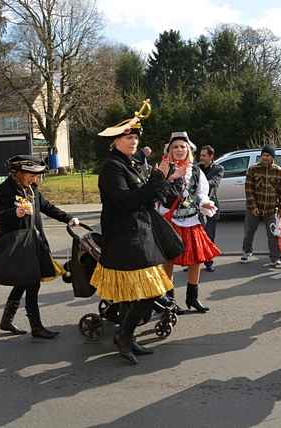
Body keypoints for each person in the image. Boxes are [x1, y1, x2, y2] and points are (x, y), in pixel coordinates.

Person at [91, 104, 183, 364]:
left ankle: (127, 338)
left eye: (135, 138)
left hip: (139, 236)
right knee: (146, 294)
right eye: (127, 137)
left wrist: (165, 180)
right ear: (115, 141)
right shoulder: (112, 168)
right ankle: (124, 338)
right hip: (124, 240)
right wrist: (155, 181)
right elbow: (125, 201)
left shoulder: (129, 164)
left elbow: (149, 198)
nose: (133, 142)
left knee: (146, 295)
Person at [0, 155, 79, 339]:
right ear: (18, 173)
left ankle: (6, 321)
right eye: (31, 175)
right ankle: (36, 326)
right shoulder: (4, 190)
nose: (35, 179)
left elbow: (47, 207)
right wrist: (14, 213)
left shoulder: (32, 189)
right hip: (17, 244)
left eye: (36, 175)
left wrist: (68, 217)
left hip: (34, 243)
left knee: (25, 281)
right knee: (31, 283)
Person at [159, 132, 220, 314]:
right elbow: (157, 194)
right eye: (175, 147)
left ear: (188, 149)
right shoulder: (163, 168)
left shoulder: (195, 170)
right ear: (169, 150)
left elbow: (200, 192)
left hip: (192, 220)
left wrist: (205, 202)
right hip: (171, 221)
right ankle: (167, 300)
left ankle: (192, 298)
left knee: (196, 260)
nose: (179, 150)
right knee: (168, 261)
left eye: (182, 147)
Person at [241, 145, 281, 268]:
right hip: (254, 209)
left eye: (268, 155)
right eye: (263, 155)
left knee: (273, 235)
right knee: (249, 231)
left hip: (271, 210)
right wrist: (253, 206)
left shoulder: (279, 171)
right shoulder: (253, 169)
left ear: (273, 157)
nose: (265, 158)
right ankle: (246, 251)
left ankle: (275, 258)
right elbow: (248, 189)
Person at [199, 145, 224, 272]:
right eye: (200, 155)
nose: (201, 158)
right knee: (195, 237)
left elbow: (214, 182)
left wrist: (199, 183)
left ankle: (209, 263)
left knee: (209, 237)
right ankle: (193, 262)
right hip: (196, 207)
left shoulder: (219, 168)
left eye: (204, 155)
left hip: (211, 207)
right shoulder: (196, 168)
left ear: (211, 156)